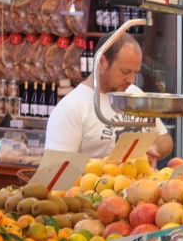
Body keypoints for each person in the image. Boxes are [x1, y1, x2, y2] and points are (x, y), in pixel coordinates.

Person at [45, 33, 173, 161]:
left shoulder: (136, 95)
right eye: (125, 71)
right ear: (101, 62)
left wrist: (153, 148)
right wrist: (109, 166)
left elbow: (165, 140)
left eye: (135, 72)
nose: (131, 80)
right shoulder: (71, 108)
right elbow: (57, 169)